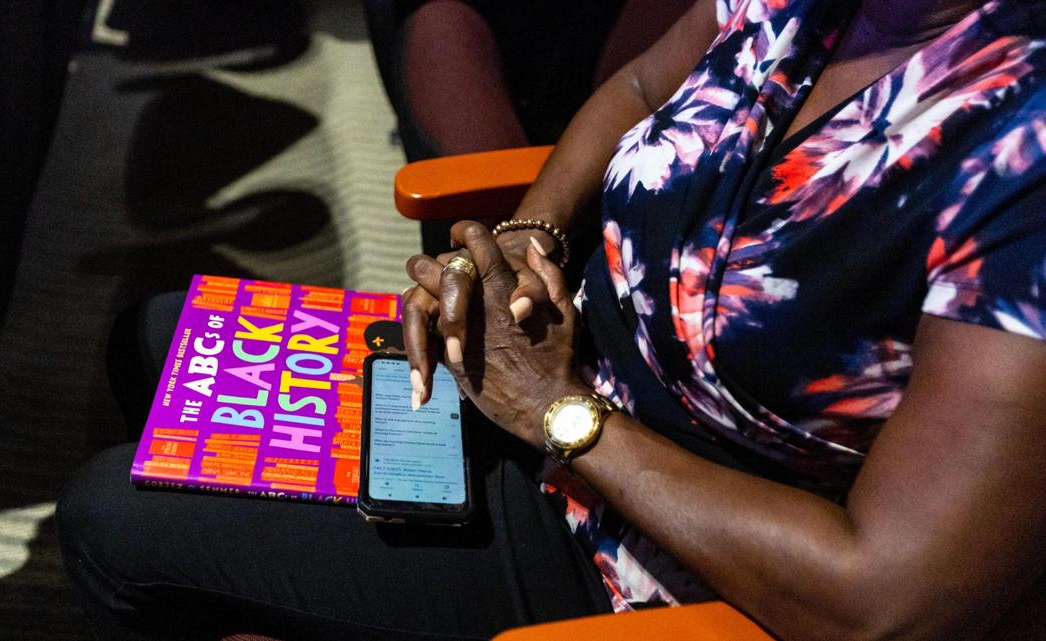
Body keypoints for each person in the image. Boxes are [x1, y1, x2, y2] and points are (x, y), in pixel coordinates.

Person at [58, 1, 1046, 640]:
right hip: (562, 369)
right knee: (151, 339)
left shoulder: (1019, 154)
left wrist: (562, 417)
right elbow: (640, 85)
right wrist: (527, 241)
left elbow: (886, 601)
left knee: (111, 518)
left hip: (653, 543)